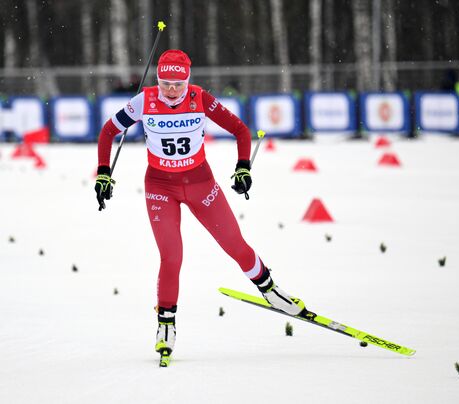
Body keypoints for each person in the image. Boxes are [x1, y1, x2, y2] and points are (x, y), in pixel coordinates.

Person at [94, 49, 304, 359]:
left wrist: (243, 166)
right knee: (171, 256)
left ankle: (270, 291)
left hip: (201, 184)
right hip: (160, 187)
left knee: (234, 243)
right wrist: (103, 173)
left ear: (188, 81)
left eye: (178, 84)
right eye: (165, 83)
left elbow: (241, 130)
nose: (171, 91)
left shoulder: (200, 98)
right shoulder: (145, 100)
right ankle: (166, 324)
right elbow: (109, 131)